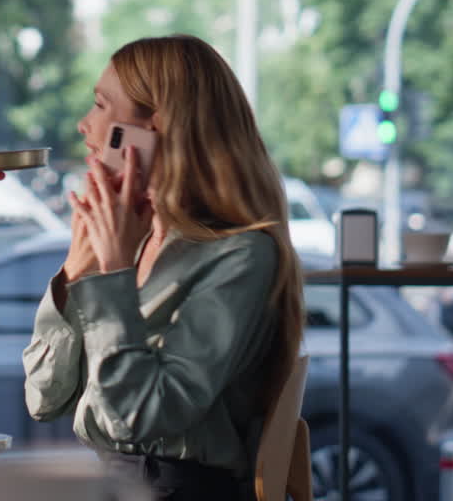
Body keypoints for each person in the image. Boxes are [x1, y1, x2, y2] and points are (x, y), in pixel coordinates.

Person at [22, 35, 305, 500]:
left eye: (99, 106)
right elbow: (43, 398)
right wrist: (78, 270)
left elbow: (144, 415)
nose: (83, 125)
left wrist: (111, 276)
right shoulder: (132, 241)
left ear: (155, 129)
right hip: (110, 485)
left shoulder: (242, 257)